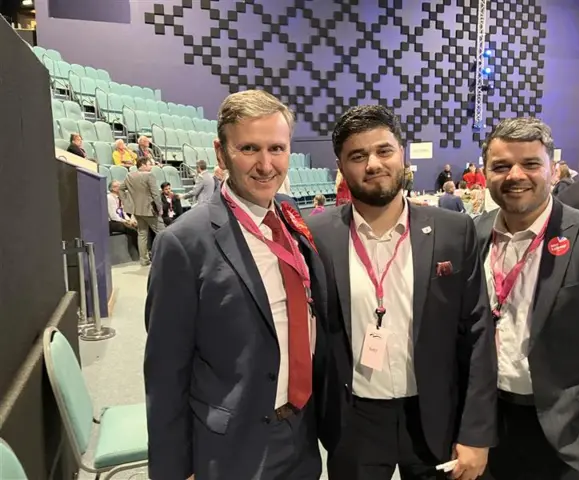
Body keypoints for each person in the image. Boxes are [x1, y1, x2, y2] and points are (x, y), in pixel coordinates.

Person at [145, 90, 328, 480]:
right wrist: (173, 469)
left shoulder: (291, 219)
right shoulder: (183, 243)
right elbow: (165, 372)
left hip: (300, 434)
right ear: (221, 152)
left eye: (277, 149)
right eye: (249, 148)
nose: (266, 165)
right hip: (231, 448)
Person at [307, 105, 497, 480]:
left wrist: (476, 432)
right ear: (341, 167)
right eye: (357, 156)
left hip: (434, 416)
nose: (373, 164)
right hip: (353, 420)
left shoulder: (454, 231)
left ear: (402, 153)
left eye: (383, 150)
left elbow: (478, 335)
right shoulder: (317, 237)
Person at [475, 117, 579, 479]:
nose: (515, 175)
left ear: (553, 170)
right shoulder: (473, 234)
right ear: (486, 174)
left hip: (560, 429)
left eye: (531, 163)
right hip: (483, 423)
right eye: (501, 166)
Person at [121, 157, 164, 265]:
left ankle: (144, 260)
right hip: (150, 209)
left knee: (142, 234)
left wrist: (127, 203)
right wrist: (160, 208)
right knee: (163, 233)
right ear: (143, 165)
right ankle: (166, 256)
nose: (151, 167)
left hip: (137, 210)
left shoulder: (129, 176)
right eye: (149, 164)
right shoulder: (149, 176)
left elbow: (121, 189)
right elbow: (155, 194)